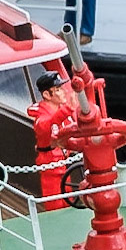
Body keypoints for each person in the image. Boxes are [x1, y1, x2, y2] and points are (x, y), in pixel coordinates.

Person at [28, 70, 78, 208]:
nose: (64, 92)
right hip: (51, 167)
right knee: (54, 204)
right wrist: (69, 108)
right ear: (46, 94)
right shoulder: (42, 118)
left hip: (64, 163)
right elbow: (47, 124)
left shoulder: (61, 114)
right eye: (58, 89)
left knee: (68, 199)